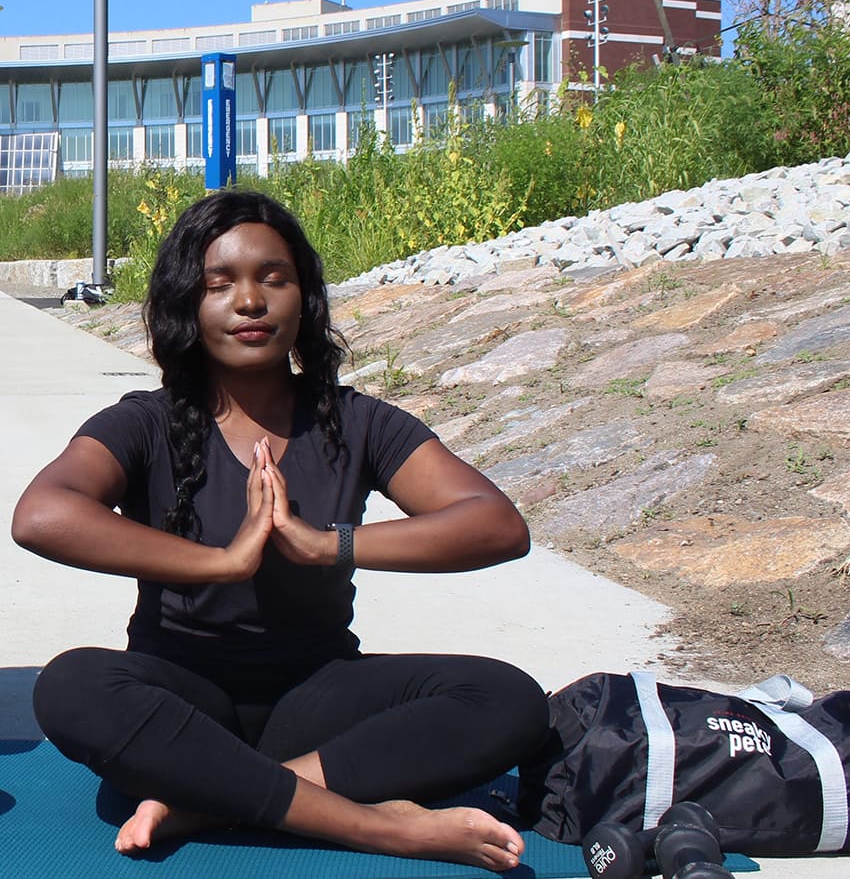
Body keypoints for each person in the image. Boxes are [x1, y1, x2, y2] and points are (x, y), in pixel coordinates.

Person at [11, 190, 549, 872]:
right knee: (70, 688)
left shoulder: (356, 421)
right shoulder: (146, 421)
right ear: (187, 304)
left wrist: (328, 544)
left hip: (318, 698)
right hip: (182, 698)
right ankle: (375, 827)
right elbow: (42, 515)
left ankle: (208, 797)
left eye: (274, 278)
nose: (250, 302)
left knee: (509, 699)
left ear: (305, 297)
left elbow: (495, 525)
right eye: (219, 284)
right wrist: (223, 562)